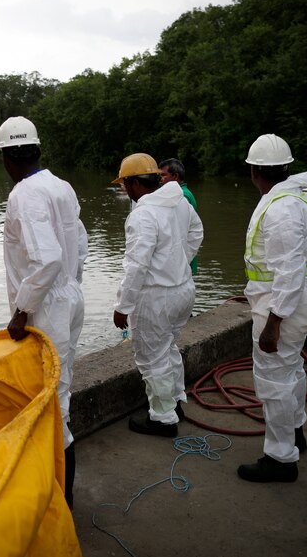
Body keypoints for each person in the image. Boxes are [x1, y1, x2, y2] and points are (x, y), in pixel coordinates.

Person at [0, 116, 87, 509]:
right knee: (58, 390)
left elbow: (47, 258)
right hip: (66, 295)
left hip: (46, 305)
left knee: (51, 402)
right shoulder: (60, 186)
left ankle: (59, 500)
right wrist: (70, 285)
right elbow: (79, 245)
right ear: (36, 150)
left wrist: (21, 311)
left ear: (7, 157)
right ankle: (57, 493)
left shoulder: (24, 194)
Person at [238, 133, 307, 483]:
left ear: (255, 171)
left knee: (274, 378)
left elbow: (288, 271)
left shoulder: (280, 210)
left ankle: (280, 458)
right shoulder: (295, 199)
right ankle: (295, 432)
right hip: (305, 296)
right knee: (290, 368)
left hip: (284, 303)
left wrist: (274, 322)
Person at [112, 153, 203, 438]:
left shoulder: (143, 214)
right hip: (183, 291)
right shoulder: (177, 203)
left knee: (152, 358)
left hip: (157, 298)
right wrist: (178, 263)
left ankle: (163, 419)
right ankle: (174, 403)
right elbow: (197, 232)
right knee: (167, 349)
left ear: (135, 184)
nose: (124, 190)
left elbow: (136, 265)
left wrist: (122, 306)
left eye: (124, 184)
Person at [159, 158, 199, 275]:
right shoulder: (181, 194)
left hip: (182, 260)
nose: (160, 179)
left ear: (175, 176)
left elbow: (179, 232)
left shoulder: (181, 196)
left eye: (163, 175)